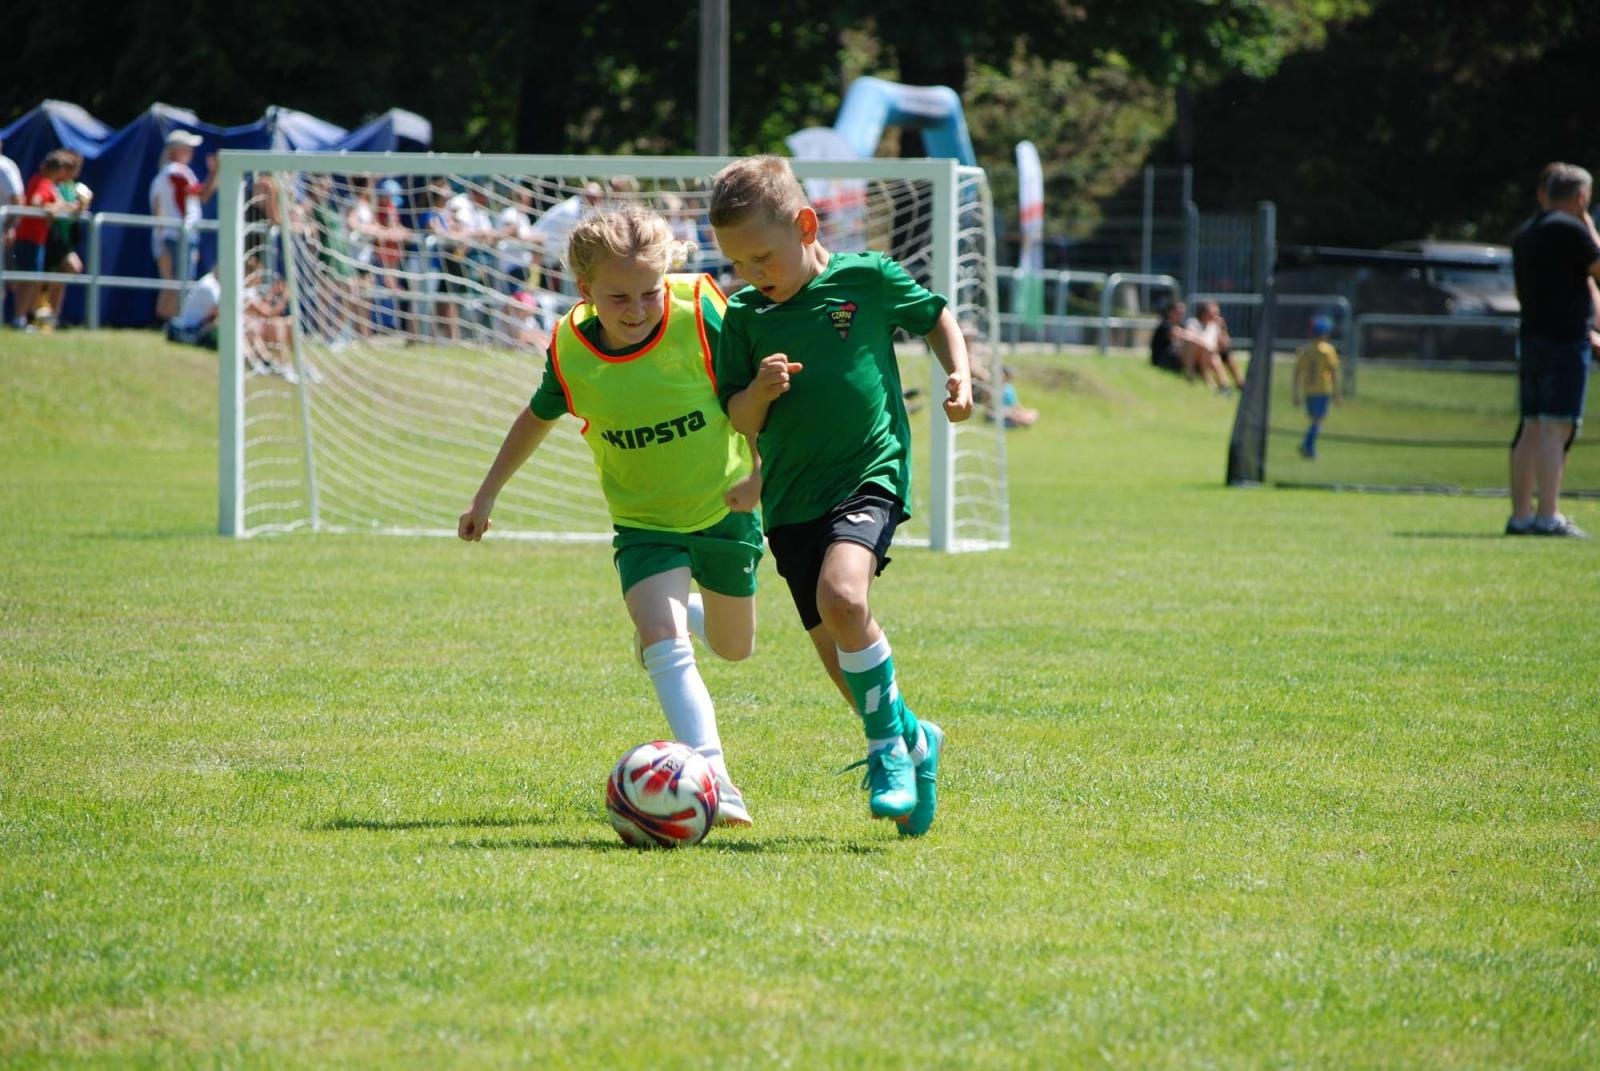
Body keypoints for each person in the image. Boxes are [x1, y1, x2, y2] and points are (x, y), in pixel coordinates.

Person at [458, 204, 762, 826]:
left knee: (734, 649)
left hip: (724, 511)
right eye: (617, 296)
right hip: (643, 522)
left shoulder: (702, 313)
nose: (636, 308)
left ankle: (683, 612)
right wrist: (486, 494)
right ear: (584, 290)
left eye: (649, 293)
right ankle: (714, 776)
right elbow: (538, 416)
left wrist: (760, 473)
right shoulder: (571, 346)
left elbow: (754, 395)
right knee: (663, 640)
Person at [708, 155, 972, 836]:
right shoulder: (742, 317)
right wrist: (759, 393)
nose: (752, 274)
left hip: (869, 474)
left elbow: (937, 315)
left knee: (845, 596)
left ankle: (887, 751)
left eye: (762, 257)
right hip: (791, 503)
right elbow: (738, 418)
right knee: (842, 661)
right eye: (738, 264)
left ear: (805, 225)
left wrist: (961, 376)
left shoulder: (868, 279)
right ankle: (915, 740)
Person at [1506, 163, 1600, 538]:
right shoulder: (1573, 230)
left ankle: (1521, 516)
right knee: (1555, 428)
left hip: (1531, 338)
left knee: (1530, 427)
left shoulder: (1525, 233)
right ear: (1580, 198)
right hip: (1565, 341)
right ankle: (1548, 516)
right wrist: (1589, 226)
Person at [148, 130, 218, 324]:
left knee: (172, 283)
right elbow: (203, 194)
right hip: (177, 236)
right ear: (175, 151)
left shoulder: (164, 174)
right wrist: (215, 172)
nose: (191, 152)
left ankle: (166, 324)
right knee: (180, 282)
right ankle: (173, 324)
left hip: (171, 235)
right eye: (187, 148)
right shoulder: (177, 172)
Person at [8, 153, 69, 331]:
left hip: (35, 238)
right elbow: (35, 203)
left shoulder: (41, 180)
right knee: (28, 280)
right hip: (30, 238)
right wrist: (51, 209)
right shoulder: (43, 182)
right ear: (57, 170)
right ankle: (19, 318)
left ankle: (24, 318)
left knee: (31, 280)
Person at [44, 150, 92, 326]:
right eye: (72, 166)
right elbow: (55, 205)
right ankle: (42, 312)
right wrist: (75, 208)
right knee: (65, 270)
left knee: (63, 274)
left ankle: (52, 315)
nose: (75, 170)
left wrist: (81, 206)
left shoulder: (74, 186)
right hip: (52, 236)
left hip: (65, 238)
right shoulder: (55, 184)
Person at [1292, 315, 1342, 459]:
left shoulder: (1306, 350)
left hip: (1308, 390)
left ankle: (1307, 446)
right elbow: (1333, 372)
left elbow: (1297, 373)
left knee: (1315, 420)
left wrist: (1296, 393)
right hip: (1322, 390)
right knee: (1318, 421)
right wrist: (1337, 393)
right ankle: (1308, 446)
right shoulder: (1328, 350)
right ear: (1325, 333)